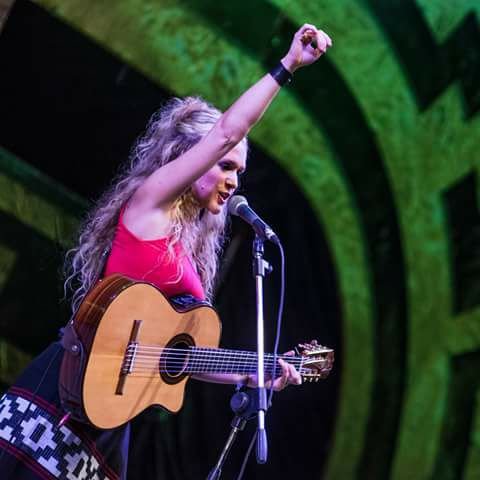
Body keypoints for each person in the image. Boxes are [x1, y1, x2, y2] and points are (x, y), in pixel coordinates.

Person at [0, 23, 332, 479]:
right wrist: (289, 64)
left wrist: (251, 373)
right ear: (188, 155)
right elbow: (226, 132)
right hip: (65, 388)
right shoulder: (149, 204)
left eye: (241, 171)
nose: (235, 179)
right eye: (227, 165)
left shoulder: (191, 248)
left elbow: (182, 358)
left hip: (114, 418)